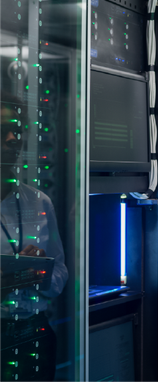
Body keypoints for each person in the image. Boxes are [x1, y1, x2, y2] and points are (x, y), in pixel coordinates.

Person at [0, 91, 68, 381]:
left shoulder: (39, 202)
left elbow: (61, 274)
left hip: (35, 333)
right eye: (4, 131)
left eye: (17, 130)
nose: (14, 139)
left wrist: (42, 272)